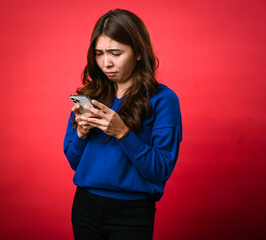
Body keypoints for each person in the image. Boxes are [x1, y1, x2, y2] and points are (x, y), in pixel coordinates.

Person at [63, 9, 182, 240]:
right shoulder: (90, 95)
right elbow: (73, 161)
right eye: (99, 53)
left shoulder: (164, 100)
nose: (106, 63)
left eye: (115, 53)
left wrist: (123, 133)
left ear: (138, 52)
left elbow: (160, 170)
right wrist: (81, 133)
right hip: (85, 207)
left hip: (133, 213)